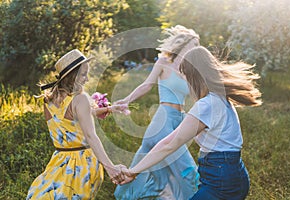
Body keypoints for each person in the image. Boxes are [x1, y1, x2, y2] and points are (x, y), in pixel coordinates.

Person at [120, 46, 262, 200]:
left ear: (193, 76)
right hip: (233, 173)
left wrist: (134, 171)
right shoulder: (220, 97)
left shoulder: (206, 105)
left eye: (185, 75)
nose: (185, 81)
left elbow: (169, 144)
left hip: (221, 179)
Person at [114, 25, 200, 200]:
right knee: (186, 166)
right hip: (164, 118)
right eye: (195, 44)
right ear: (183, 45)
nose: (197, 48)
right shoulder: (163, 63)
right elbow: (147, 85)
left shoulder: (189, 70)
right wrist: (127, 100)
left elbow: (198, 98)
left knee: (165, 163)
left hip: (180, 119)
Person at [26, 49, 125, 199]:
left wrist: (108, 109)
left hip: (60, 160)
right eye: (84, 74)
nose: (86, 79)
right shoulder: (80, 99)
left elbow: (73, 118)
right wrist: (110, 168)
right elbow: (91, 136)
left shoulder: (48, 100)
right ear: (73, 76)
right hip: (83, 162)